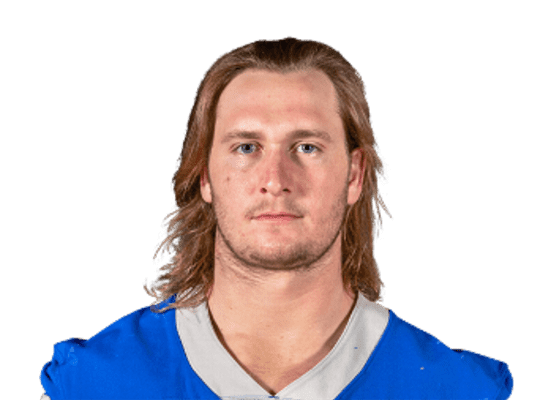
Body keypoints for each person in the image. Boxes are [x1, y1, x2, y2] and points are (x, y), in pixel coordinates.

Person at [39, 36, 514, 400]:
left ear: (354, 175)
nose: (275, 179)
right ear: (204, 176)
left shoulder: (457, 391)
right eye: (247, 147)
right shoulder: (92, 386)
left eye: (306, 147)